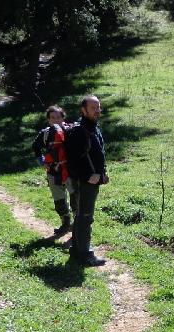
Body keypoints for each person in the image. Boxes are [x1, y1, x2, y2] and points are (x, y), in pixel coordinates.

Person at [65, 94, 108, 266]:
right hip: (84, 182)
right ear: (83, 110)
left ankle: (76, 249)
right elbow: (73, 160)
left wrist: (102, 172)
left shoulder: (93, 127)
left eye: (98, 107)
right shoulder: (79, 130)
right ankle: (85, 254)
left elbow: (97, 154)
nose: (97, 110)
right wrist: (88, 176)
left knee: (82, 215)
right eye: (93, 108)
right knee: (85, 216)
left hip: (93, 180)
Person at [31, 105, 74, 237]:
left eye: (58, 117)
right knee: (59, 200)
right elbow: (35, 146)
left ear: (63, 117)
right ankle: (66, 223)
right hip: (53, 171)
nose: (56, 120)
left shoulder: (71, 131)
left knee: (76, 199)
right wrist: (42, 161)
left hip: (70, 171)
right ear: (48, 120)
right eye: (53, 118)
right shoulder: (45, 133)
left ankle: (78, 227)